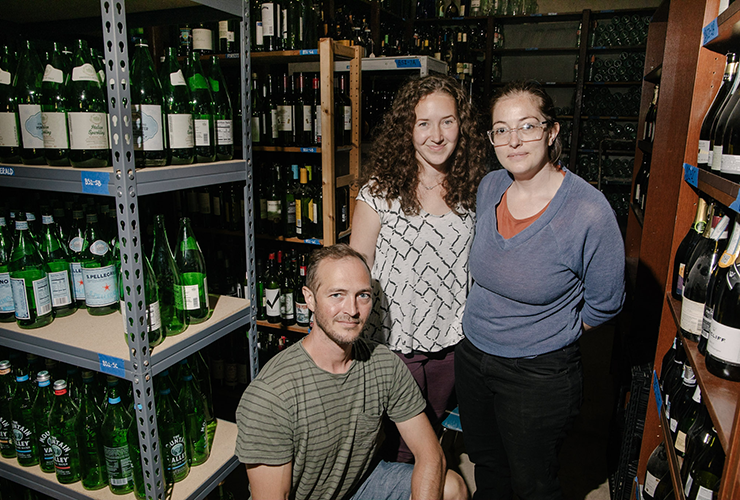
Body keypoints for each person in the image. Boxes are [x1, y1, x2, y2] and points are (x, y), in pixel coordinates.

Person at [455, 80, 626, 500]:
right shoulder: (491, 187)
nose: (514, 141)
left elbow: (605, 303)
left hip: (537, 374)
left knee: (533, 483)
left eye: (527, 126)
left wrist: (547, 337)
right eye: (501, 129)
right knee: (487, 465)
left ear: (551, 132)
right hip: (474, 357)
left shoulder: (588, 210)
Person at [235, 244, 468, 500]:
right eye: (337, 295)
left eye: (363, 295)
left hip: (360, 487)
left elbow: (430, 453)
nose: (352, 310)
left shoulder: (383, 363)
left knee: (452, 488)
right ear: (309, 298)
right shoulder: (271, 395)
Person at [349, 74, 486, 463]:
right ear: (407, 130)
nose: (437, 135)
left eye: (448, 121)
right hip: (392, 346)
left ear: (462, 125)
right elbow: (359, 269)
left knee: (430, 434)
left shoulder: (475, 192)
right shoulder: (379, 193)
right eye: (423, 123)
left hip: (450, 347)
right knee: (395, 447)